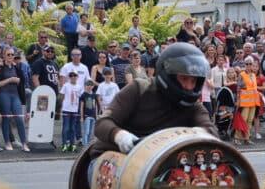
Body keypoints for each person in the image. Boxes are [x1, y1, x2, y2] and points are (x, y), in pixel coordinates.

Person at [87, 42, 216, 160]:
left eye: (193, 81)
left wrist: (199, 133)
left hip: (159, 162)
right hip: (114, 156)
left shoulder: (193, 105)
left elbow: (211, 131)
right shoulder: (139, 89)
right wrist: (120, 136)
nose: (189, 86)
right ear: (167, 75)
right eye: (184, 78)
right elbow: (102, 123)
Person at [0, 48, 29, 151]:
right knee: (7, 117)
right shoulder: (0, 67)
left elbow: (21, 82)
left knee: (19, 118)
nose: (10, 56)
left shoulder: (17, 67)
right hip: (3, 94)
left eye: (12, 55)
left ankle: (24, 143)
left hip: (15, 95)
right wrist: (10, 80)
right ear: (4, 55)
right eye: (8, 54)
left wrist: (18, 81)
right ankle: (7, 142)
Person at [234, 57, 261, 145]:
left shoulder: (253, 75)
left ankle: (247, 138)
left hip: (253, 101)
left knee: (250, 120)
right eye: (247, 64)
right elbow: (238, 88)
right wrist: (238, 100)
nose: (249, 65)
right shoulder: (242, 75)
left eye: (250, 64)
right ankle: (237, 137)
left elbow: (254, 88)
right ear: (244, 65)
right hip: (244, 101)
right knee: (243, 119)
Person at [60, 71, 83, 152]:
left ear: (77, 77)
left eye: (75, 75)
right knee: (66, 127)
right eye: (71, 75)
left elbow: (80, 98)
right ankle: (64, 144)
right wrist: (61, 106)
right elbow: (62, 96)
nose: (73, 77)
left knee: (73, 128)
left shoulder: (79, 87)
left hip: (75, 109)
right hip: (66, 109)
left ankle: (72, 144)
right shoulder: (66, 85)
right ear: (69, 77)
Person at [81, 79, 97, 145]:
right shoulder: (83, 95)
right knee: (86, 131)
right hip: (86, 115)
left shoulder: (94, 95)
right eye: (88, 85)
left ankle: (88, 144)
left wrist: (96, 115)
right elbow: (81, 107)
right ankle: (85, 144)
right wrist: (81, 117)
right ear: (85, 86)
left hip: (93, 115)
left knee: (90, 132)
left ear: (93, 86)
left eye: (91, 85)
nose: (89, 86)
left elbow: (95, 106)